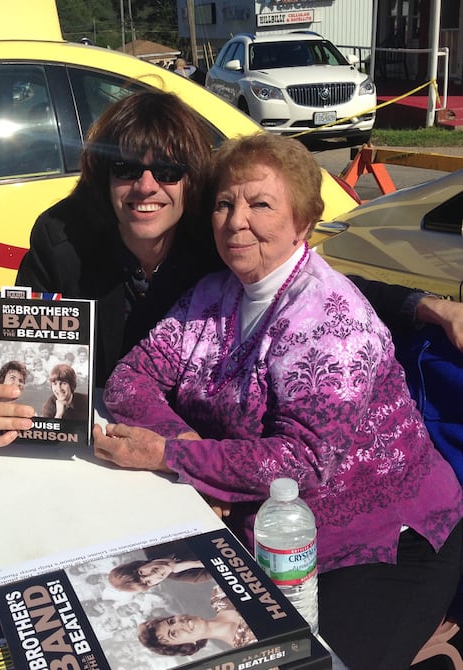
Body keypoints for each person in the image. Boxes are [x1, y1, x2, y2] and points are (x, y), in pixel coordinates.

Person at [94, 132, 463, 670]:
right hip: (269, 529)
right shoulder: (214, 294)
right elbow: (130, 380)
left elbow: (302, 462)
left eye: (261, 204)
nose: (236, 221)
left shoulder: (329, 318)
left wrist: (169, 455)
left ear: (303, 222)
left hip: (382, 541)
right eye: (224, 204)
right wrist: (187, 443)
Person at [0, 89, 463, 449]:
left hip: (195, 440)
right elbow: (9, 350)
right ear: (103, 177)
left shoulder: (217, 232)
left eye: (168, 170)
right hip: (103, 436)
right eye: (126, 168)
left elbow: (311, 288)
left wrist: (425, 306)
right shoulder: (63, 239)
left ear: (190, 180)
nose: (147, 186)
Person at [138, 585, 255, 656]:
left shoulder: (219, 595)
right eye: (174, 633)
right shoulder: (250, 648)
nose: (180, 623)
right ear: (189, 644)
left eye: (172, 621)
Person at [109, 556, 209, 591]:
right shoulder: (194, 577)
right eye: (148, 582)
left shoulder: (155, 543)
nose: (153, 575)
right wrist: (195, 563)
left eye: (141, 572)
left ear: (139, 564)